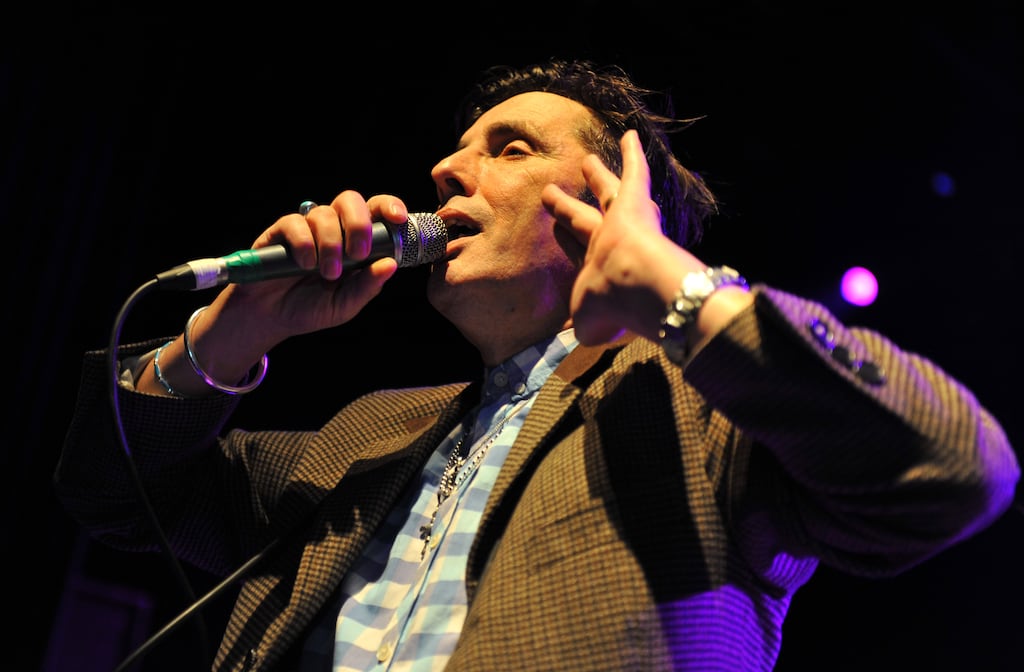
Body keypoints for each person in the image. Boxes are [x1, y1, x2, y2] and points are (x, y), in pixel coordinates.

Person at [55, 59, 1019, 672]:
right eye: (455, 151)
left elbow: (953, 468)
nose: (444, 171)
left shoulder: (702, 408)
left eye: (508, 148)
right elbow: (109, 491)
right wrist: (226, 336)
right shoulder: (369, 432)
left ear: (606, 206)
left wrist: (669, 284)